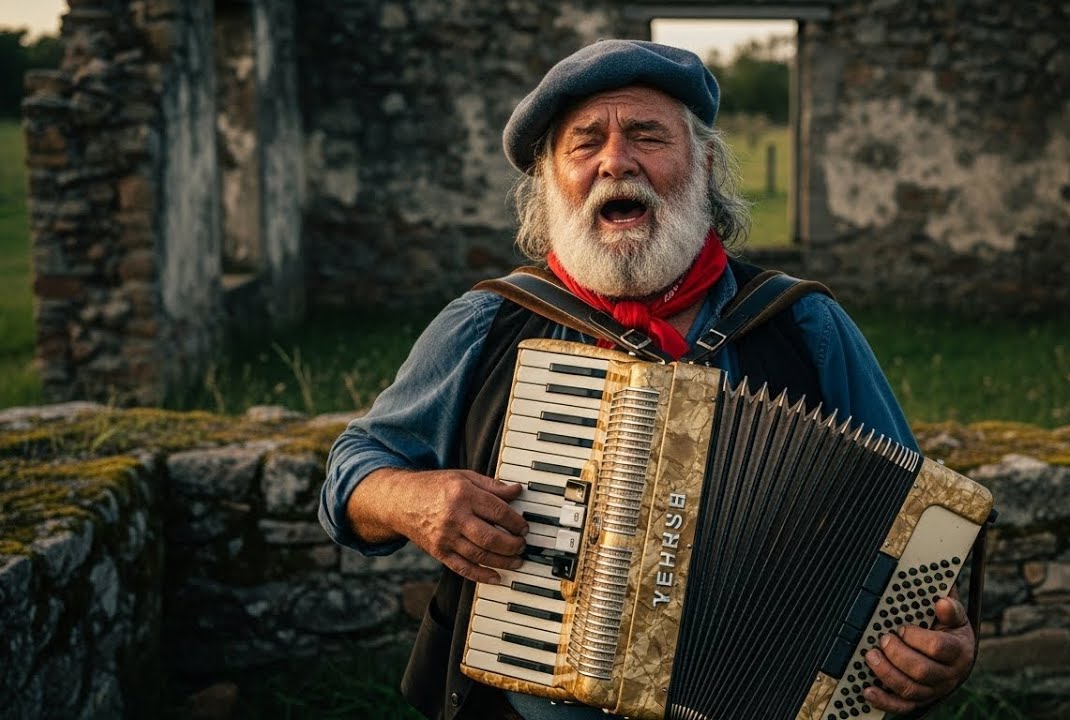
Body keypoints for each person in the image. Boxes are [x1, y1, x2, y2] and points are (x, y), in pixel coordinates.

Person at [319, 39, 976, 720]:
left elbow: (922, 531)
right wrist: (407, 499)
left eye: (646, 135)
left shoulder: (804, 325)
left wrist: (942, 646)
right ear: (550, 180)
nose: (615, 161)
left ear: (707, 162)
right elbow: (352, 471)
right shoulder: (486, 323)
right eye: (584, 143)